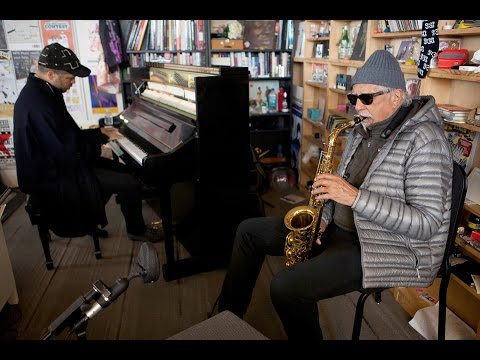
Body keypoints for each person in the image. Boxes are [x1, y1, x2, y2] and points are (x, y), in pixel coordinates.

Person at [217, 50, 453, 340]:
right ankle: (224, 322)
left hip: (386, 246)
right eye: (354, 98)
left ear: (396, 96)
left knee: (285, 288)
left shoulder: (426, 141)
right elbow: (335, 186)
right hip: (340, 227)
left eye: (367, 99)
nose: (358, 107)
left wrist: (354, 197)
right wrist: (324, 218)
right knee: (249, 231)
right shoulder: (360, 129)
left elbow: (426, 224)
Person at [13, 42, 159, 242]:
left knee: (126, 171)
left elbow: (66, 136)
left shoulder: (42, 91)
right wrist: (100, 140)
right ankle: (136, 230)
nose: (72, 82)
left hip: (60, 164)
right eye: (69, 78)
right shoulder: (40, 104)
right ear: (51, 75)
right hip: (55, 176)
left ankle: (95, 216)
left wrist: (99, 133)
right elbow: (70, 152)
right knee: (130, 182)